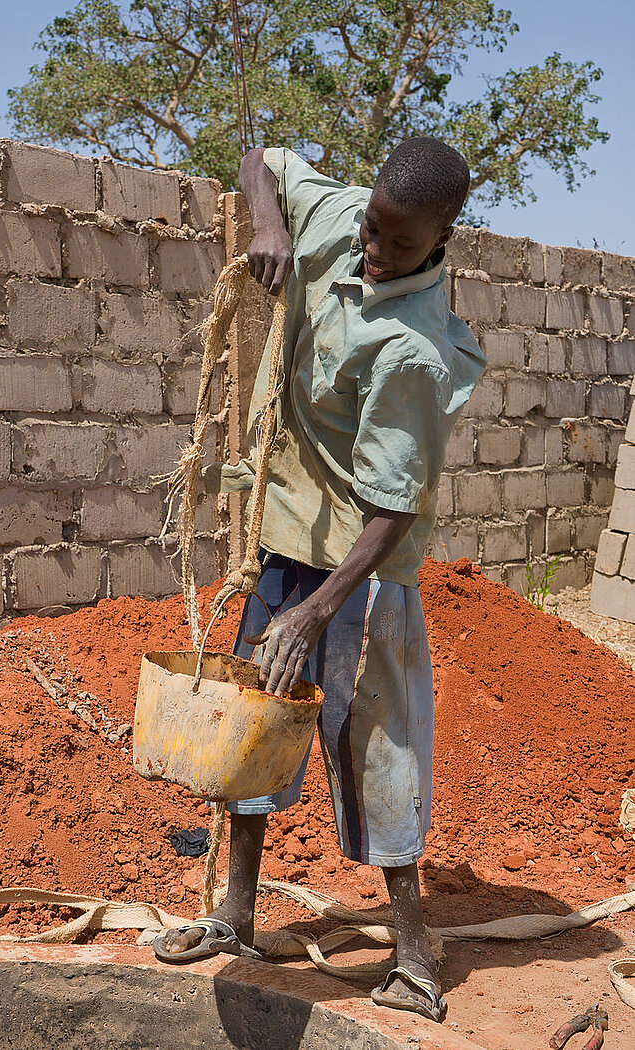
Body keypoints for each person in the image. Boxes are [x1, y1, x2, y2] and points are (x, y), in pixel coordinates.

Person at [153, 138, 486, 1023]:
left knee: (377, 749)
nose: (372, 251)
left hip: (361, 573)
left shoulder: (413, 351)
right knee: (254, 720)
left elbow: (395, 510)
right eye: (372, 228)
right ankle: (234, 914)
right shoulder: (345, 215)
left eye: (397, 246)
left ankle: (414, 957)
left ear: (443, 238)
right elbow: (265, 158)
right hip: (288, 532)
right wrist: (267, 217)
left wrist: (316, 610)